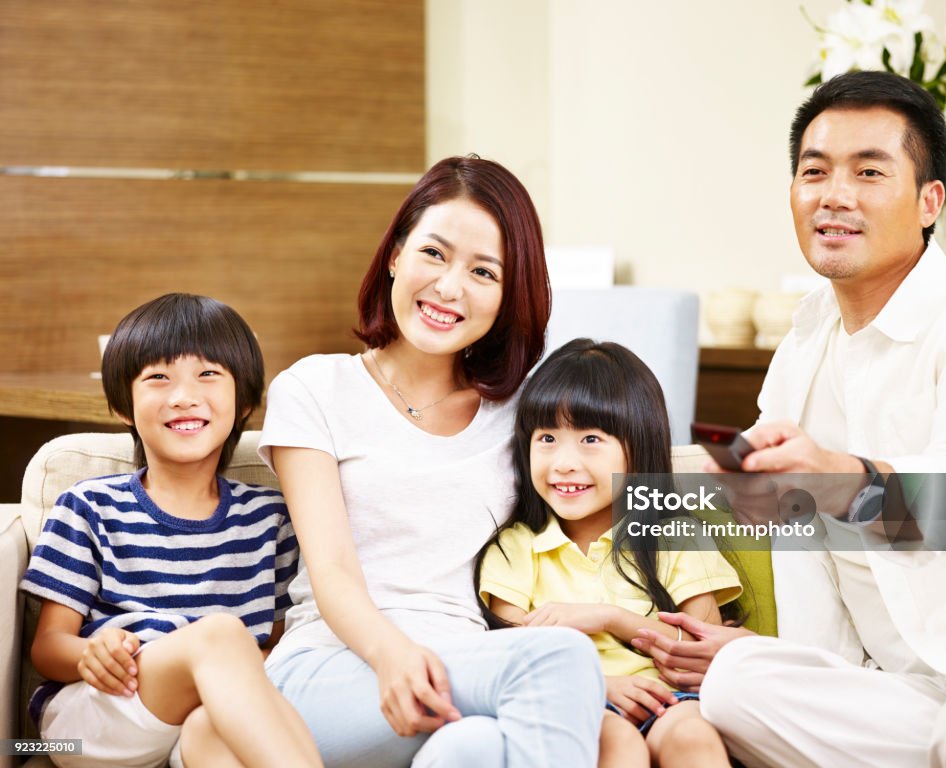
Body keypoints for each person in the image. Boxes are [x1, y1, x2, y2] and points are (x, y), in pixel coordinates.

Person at [631, 70, 946, 767]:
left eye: (869, 171)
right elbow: (791, 534)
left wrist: (847, 481)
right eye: (815, 171)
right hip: (892, 688)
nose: (834, 195)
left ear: (929, 201)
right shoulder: (804, 343)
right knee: (733, 685)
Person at [258, 156, 605, 768]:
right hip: (330, 669)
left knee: (473, 749)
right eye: (435, 254)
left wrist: (782, 498)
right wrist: (392, 655)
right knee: (561, 657)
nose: (449, 287)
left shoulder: (523, 414)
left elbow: (615, 488)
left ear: (507, 296)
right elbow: (333, 570)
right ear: (395, 255)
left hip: (473, 670)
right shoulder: (314, 388)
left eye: (483, 272)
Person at [20, 293, 321, 768]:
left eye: (208, 374)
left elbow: (278, 646)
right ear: (124, 406)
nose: (184, 395)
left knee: (213, 730)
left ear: (245, 402)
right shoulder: (88, 505)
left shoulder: (272, 518)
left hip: (206, 715)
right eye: (158, 378)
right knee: (222, 635)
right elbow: (48, 647)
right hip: (93, 719)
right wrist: (88, 655)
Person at [477, 338, 742, 768]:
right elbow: (513, 656)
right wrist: (598, 684)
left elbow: (701, 647)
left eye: (590, 439)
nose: (563, 462)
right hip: (575, 700)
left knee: (696, 739)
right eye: (547, 437)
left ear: (638, 448)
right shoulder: (516, 548)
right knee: (619, 745)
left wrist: (610, 618)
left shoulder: (672, 535)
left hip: (670, 700)